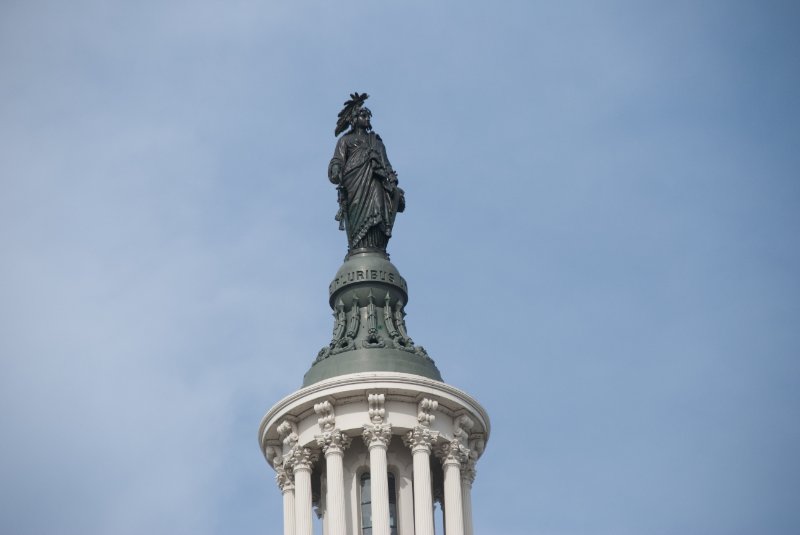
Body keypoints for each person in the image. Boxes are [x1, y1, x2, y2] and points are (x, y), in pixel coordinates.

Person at [328, 93, 405, 253]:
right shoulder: (345, 141)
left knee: (378, 207)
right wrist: (336, 169)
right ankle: (358, 248)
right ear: (354, 119)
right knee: (356, 211)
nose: (367, 118)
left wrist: (393, 185)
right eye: (363, 115)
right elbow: (337, 160)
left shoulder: (376, 142)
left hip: (375, 180)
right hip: (354, 183)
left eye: (368, 116)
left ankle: (375, 247)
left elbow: (386, 164)